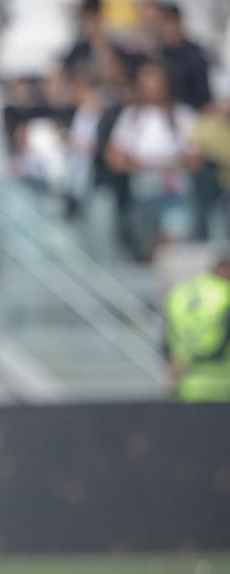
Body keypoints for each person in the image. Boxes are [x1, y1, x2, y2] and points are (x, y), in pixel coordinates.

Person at [105, 61, 201, 260]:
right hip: (142, 196)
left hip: (174, 195)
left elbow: (195, 159)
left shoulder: (182, 116)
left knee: (174, 244)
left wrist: (149, 163)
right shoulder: (131, 117)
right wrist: (156, 164)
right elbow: (115, 158)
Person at [165, 253, 230, 402]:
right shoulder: (226, 294)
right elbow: (223, 341)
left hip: (186, 384)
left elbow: (166, 339)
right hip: (223, 385)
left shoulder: (180, 293)